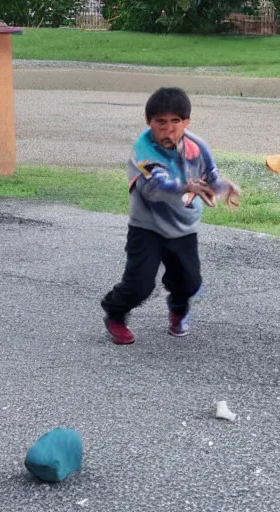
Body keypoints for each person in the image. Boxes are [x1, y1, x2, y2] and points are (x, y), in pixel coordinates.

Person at [101, 87, 240, 345]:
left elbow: (212, 178)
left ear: (186, 122)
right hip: (147, 226)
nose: (168, 129)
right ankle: (115, 312)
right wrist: (186, 187)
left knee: (189, 281)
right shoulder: (143, 150)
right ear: (148, 121)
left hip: (183, 226)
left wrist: (225, 187)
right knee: (140, 286)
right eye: (160, 122)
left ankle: (178, 308)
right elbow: (158, 186)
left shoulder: (198, 147)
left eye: (176, 121)